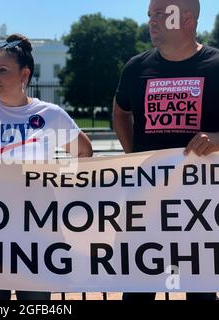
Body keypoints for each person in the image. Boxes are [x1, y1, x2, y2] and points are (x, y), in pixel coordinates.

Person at [0, 33, 93, 300]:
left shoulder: (49, 115)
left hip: (36, 231)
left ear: (24, 74)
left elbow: (84, 152)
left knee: (36, 303)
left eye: (3, 71)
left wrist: (60, 183)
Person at [113, 0, 218, 301]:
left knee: (199, 292)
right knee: (138, 290)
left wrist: (217, 138)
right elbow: (121, 112)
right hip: (147, 204)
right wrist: (135, 154)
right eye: (150, 15)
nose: (151, 21)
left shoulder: (216, 65)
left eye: (160, 14)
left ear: (187, 18)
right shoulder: (136, 68)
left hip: (200, 210)